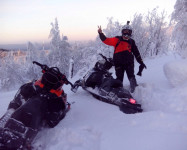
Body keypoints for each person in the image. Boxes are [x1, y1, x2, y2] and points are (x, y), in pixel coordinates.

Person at [98, 21, 146, 93]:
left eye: (128, 32)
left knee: (131, 77)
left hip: (129, 63)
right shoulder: (117, 39)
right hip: (118, 63)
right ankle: (119, 93)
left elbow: (136, 53)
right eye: (125, 31)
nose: (126, 33)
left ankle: (135, 92)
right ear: (122, 32)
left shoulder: (132, 42)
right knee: (119, 79)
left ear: (130, 33)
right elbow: (106, 40)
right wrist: (101, 33)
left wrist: (141, 62)